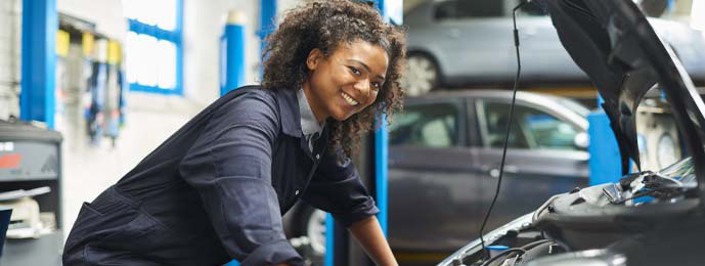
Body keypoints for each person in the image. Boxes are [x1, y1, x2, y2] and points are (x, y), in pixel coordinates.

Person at [62, 0, 406, 265]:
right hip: (114, 254)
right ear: (315, 59)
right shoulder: (253, 114)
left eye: (376, 83)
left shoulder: (317, 137)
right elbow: (247, 194)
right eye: (355, 70)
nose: (363, 89)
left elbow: (355, 207)